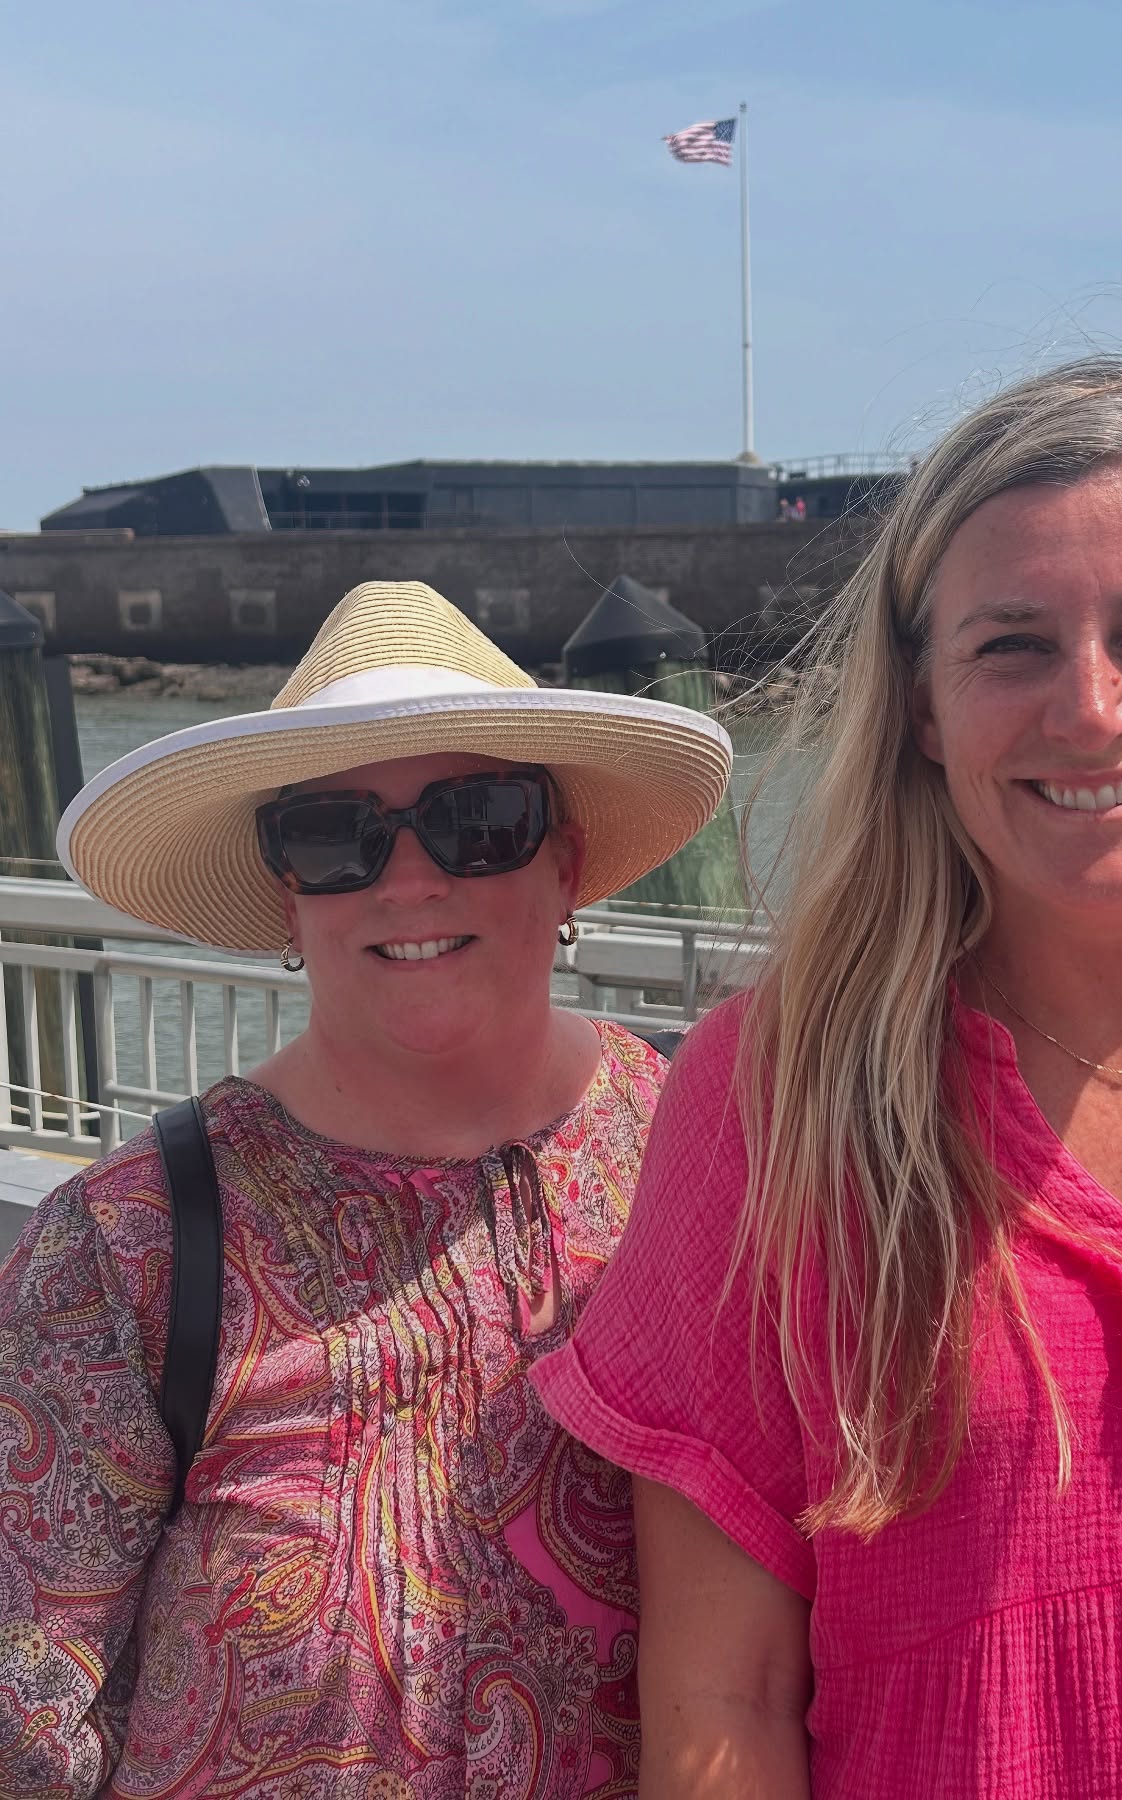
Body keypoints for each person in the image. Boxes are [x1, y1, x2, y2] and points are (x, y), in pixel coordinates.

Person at [533, 359, 1122, 1797]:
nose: (1091, 709)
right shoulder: (779, 1098)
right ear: (922, 706)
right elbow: (727, 1702)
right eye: (1012, 646)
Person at [0, 580, 731, 1798]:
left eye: (478, 819)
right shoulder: (124, 1252)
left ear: (568, 862)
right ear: (289, 891)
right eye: (337, 834)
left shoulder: (706, 1162)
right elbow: (28, 1715)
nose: (408, 880)